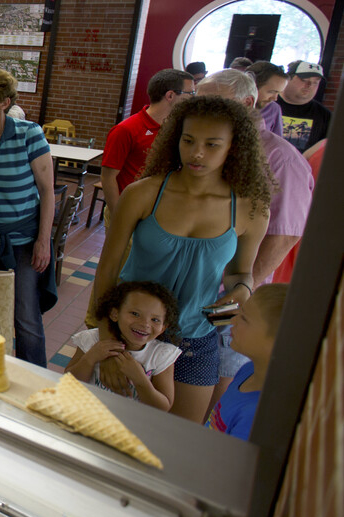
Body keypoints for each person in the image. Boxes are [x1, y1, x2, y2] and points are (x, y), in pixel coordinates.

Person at [93, 96, 271, 423]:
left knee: (178, 441)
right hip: (129, 333)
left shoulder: (251, 208)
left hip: (195, 339)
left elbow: (241, 273)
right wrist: (106, 340)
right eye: (188, 141)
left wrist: (238, 295)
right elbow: (108, 269)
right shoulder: (143, 193)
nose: (197, 153)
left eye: (212, 144)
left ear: (234, 147)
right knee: (111, 431)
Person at [195, 69, 312, 416]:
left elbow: (285, 235)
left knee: (222, 369)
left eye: (213, 102)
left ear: (247, 103)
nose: (203, 110)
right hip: (199, 283)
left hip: (232, 292)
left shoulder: (281, 158)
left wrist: (237, 298)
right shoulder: (217, 147)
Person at [0, 70, 56, 365]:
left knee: (25, 317)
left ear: (4, 102)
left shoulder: (29, 134)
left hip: (22, 240)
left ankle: (36, 381)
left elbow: (47, 191)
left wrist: (44, 241)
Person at [99, 68, 195, 226]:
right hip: (131, 212)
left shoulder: (178, 130)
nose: (193, 100)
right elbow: (108, 177)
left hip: (160, 213)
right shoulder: (126, 130)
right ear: (170, 95)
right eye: (190, 94)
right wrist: (119, 216)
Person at [66, 281, 181, 411]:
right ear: (115, 314)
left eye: (155, 320)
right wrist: (90, 358)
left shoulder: (161, 355)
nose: (145, 324)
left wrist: (140, 380)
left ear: (163, 328)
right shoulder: (92, 340)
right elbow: (68, 381)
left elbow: (163, 407)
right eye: (135, 314)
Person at [206, 284, 288, 440]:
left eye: (244, 318)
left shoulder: (258, 415)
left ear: (275, 342)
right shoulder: (249, 369)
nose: (233, 321)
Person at [277, 60, 332, 152]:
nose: (309, 85)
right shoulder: (267, 103)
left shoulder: (324, 116)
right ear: (288, 79)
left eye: (315, 82)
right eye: (304, 80)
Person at [246, 61, 288, 136]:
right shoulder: (230, 104)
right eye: (271, 92)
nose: (275, 98)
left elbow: (277, 142)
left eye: (278, 93)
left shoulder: (273, 109)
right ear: (253, 86)